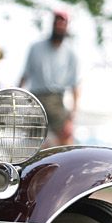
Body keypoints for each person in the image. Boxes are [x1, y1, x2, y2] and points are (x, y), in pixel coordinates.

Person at [19, 9, 79, 146]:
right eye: (56, 22)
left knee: (67, 139)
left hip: (56, 100)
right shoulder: (36, 47)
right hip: (35, 99)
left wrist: (71, 117)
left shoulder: (71, 53)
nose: (59, 25)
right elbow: (25, 76)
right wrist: (13, 98)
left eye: (62, 22)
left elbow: (75, 86)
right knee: (32, 143)